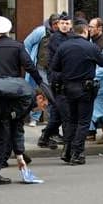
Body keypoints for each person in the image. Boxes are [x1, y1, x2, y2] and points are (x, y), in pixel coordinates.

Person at [0, 16, 43, 167]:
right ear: (9, 31)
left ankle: (7, 155)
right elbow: (29, 65)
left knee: (2, 124)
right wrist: (39, 81)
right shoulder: (18, 46)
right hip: (14, 90)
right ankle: (13, 153)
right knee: (16, 123)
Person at [51, 17, 103, 165]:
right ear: (85, 31)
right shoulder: (90, 47)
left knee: (71, 121)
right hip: (85, 89)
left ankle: (67, 151)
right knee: (83, 122)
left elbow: (55, 67)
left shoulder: (63, 47)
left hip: (68, 88)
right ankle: (77, 153)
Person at [37, 12, 73, 148]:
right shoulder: (55, 38)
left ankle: (45, 137)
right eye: (62, 23)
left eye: (67, 23)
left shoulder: (71, 37)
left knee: (58, 113)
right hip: (58, 80)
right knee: (62, 113)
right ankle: (67, 145)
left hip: (66, 78)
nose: (64, 26)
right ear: (58, 25)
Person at [24, 13, 60, 127]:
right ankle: (35, 117)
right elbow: (27, 43)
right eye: (55, 24)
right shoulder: (41, 31)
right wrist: (29, 62)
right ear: (50, 23)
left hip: (53, 68)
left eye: (58, 23)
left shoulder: (61, 34)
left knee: (49, 91)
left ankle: (49, 117)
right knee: (42, 90)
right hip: (40, 66)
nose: (57, 26)